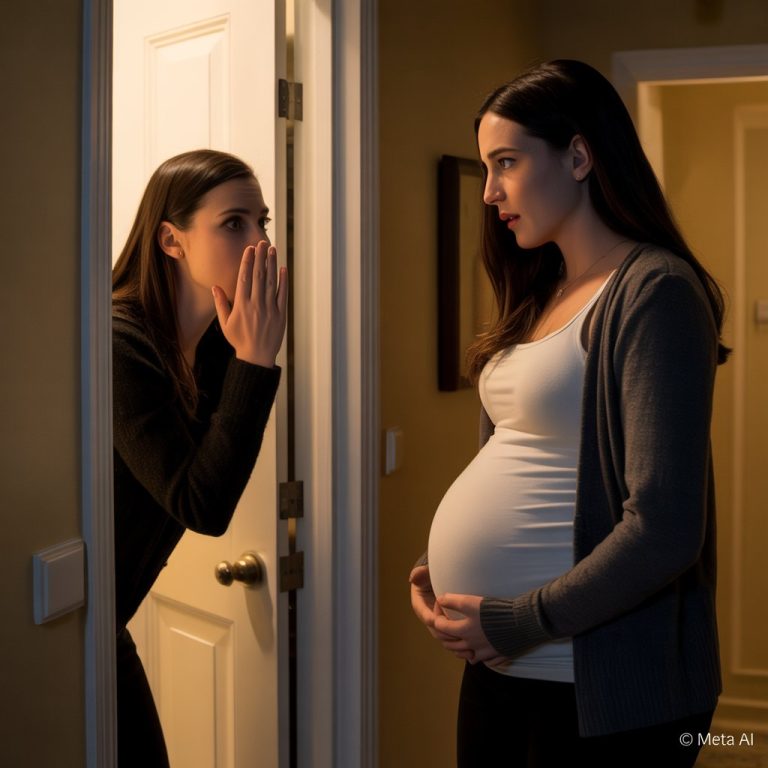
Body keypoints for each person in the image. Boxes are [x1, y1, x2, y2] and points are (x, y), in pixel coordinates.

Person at [410, 59, 728, 768]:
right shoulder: (543, 288)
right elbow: (533, 454)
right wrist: (448, 563)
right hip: (502, 663)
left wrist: (519, 616)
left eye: (507, 162)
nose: (489, 191)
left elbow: (667, 527)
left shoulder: (656, 291)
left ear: (579, 155)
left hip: (594, 682)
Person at [112, 149, 288, 766]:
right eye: (234, 223)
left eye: (262, 222)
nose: (258, 242)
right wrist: (257, 364)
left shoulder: (211, 346)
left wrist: (244, 358)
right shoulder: (120, 345)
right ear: (171, 240)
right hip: (64, 630)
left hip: (107, 623)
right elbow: (201, 504)